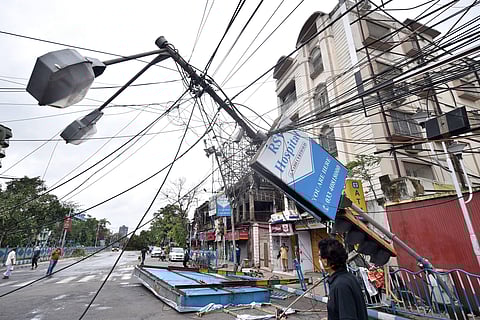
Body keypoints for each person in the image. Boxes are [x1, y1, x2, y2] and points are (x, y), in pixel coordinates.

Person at [318, 238, 368, 320]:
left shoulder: (341, 285)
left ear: (325, 261)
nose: (319, 260)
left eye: (320, 257)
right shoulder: (348, 278)